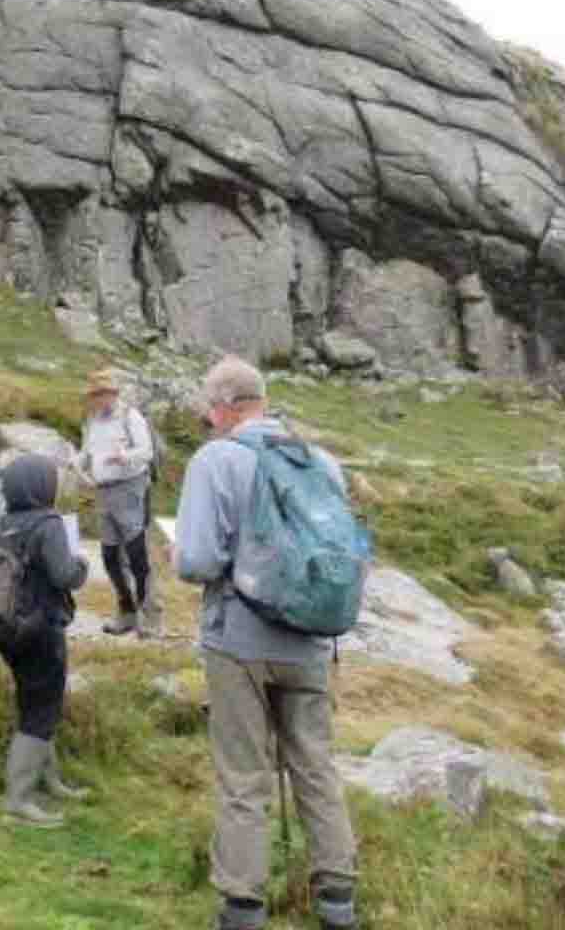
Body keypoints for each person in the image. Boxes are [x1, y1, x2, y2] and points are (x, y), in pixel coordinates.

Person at [174, 356, 357, 930]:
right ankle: (336, 901)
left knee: (244, 773)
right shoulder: (319, 461)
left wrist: (178, 557)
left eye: (210, 407)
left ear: (227, 404)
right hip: (308, 640)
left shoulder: (216, 460)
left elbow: (199, 558)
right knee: (316, 766)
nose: (208, 417)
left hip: (239, 640)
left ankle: (243, 906)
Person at [0, 454, 91, 827]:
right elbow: (65, 576)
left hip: (10, 630)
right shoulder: (49, 524)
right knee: (40, 711)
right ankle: (18, 802)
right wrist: (82, 564)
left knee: (34, 702)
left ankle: (49, 780)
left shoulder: (3, 523)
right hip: (42, 629)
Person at [78, 368, 161, 638]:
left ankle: (150, 618)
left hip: (130, 489)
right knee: (110, 558)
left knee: (139, 556)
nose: (102, 399)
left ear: (114, 393)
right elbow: (87, 454)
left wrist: (124, 456)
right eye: (97, 395)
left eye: (106, 393)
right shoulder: (92, 421)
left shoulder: (130, 416)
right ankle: (126, 612)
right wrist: (77, 463)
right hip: (103, 493)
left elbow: (146, 452)